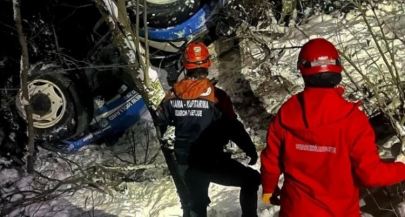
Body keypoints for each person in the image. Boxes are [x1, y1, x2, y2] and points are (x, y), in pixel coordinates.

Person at [260, 37, 405, 216]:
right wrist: (401, 169)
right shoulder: (353, 120)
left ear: (303, 69)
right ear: (337, 68)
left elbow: (271, 159)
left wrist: (269, 187)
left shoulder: (287, 114)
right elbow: (370, 174)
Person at [156, 42, 260, 217]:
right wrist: (249, 149)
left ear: (185, 65)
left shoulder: (172, 95)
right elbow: (233, 127)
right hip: (211, 161)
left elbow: (160, 122)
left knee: (195, 205)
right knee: (251, 179)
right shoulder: (217, 96)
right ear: (207, 64)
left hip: (185, 163)